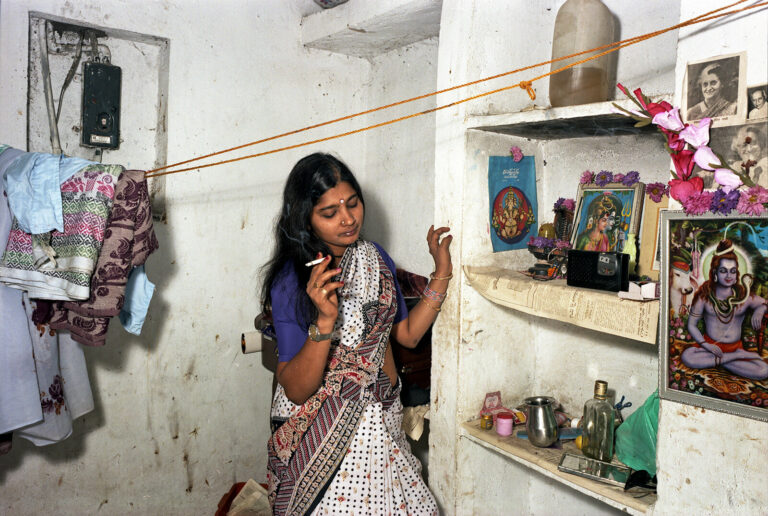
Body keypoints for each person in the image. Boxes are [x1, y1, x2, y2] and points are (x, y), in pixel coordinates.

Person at [261, 153, 451, 515]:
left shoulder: (375, 258)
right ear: (306, 218)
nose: (348, 219)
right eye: (330, 213)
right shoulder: (292, 279)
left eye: (352, 204)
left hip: (383, 423)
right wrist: (325, 321)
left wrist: (441, 272)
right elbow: (298, 389)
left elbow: (407, 336)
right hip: (321, 439)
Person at [684, 239, 768, 380]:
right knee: (688, 356)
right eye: (723, 271)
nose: (729, 276)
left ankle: (722, 359)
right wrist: (706, 345)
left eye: (732, 271)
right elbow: (691, 324)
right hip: (710, 348)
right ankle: (734, 358)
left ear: (737, 275)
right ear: (715, 273)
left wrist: (760, 310)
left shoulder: (743, 295)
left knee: (763, 370)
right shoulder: (705, 295)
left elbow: (765, 303)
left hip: (734, 347)